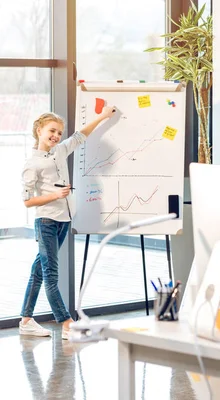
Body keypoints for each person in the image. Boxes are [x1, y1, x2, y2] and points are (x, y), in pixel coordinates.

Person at [19, 106, 116, 339]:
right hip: (46, 222)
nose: (56, 136)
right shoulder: (32, 163)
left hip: (63, 220)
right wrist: (55, 195)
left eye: (59, 133)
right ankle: (66, 323)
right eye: (52, 131)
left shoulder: (60, 150)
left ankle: (26, 320)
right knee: (50, 274)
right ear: (39, 130)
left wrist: (103, 116)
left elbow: (81, 135)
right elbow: (27, 201)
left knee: (38, 271)